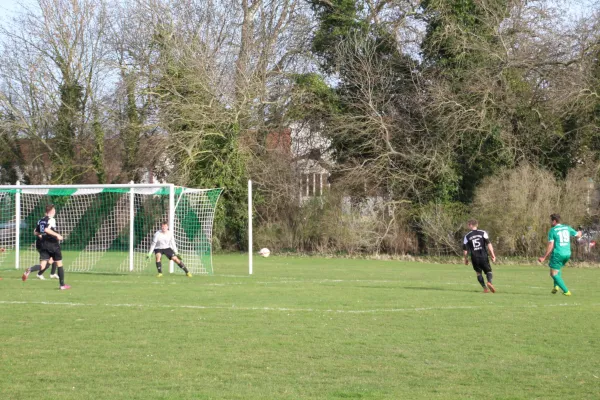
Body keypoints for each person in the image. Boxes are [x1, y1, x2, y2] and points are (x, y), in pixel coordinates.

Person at [22, 204, 70, 290]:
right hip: (53, 245)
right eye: (54, 210)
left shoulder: (40, 220)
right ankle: (62, 285)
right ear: (51, 211)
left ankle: (30, 269)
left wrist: (42, 235)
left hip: (43, 245)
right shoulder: (51, 220)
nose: (55, 211)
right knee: (59, 264)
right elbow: (47, 229)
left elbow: (35, 232)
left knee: (43, 266)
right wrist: (58, 235)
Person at [538, 214, 581, 296]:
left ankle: (566, 291)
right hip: (567, 253)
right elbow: (578, 235)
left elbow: (551, 245)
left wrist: (544, 257)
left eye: (551, 220)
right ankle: (556, 287)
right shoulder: (567, 227)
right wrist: (580, 232)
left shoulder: (552, 230)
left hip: (558, 253)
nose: (550, 222)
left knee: (553, 274)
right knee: (557, 268)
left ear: (554, 221)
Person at [463, 219, 497, 293]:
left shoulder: (467, 236)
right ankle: (489, 282)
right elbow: (489, 244)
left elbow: (465, 250)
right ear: (477, 225)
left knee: (478, 273)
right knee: (488, 271)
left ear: (471, 225)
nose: (468, 226)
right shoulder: (483, 233)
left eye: (468, 224)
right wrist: (493, 255)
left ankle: (485, 288)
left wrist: (466, 259)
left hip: (474, 257)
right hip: (483, 256)